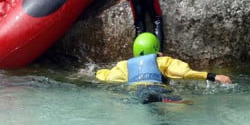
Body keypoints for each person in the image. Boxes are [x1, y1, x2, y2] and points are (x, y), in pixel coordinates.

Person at [96, 33, 232, 104]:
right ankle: (165, 101)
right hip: (157, 88)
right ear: (156, 48)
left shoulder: (125, 65)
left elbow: (107, 77)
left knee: (148, 104)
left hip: (135, 91)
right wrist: (212, 76)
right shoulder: (163, 61)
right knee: (188, 104)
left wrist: (96, 72)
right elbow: (184, 73)